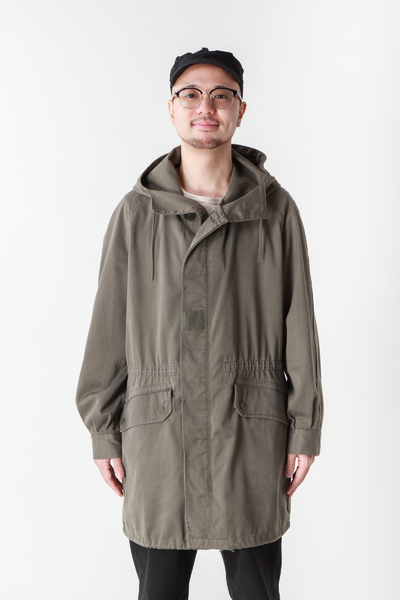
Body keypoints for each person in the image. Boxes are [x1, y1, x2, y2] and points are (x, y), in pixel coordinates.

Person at [75, 47, 324, 600]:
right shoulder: (136, 213)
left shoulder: (275, 209)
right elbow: (109, 325)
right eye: (190, 94)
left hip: (251, 430)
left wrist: (304, 426)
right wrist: (102, 427)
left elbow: (299, 323)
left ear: (240, 109)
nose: (205, 107)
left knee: (257, 591)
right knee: (159, 590)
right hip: (157, 434)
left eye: (221, 95)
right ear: (171, 108)